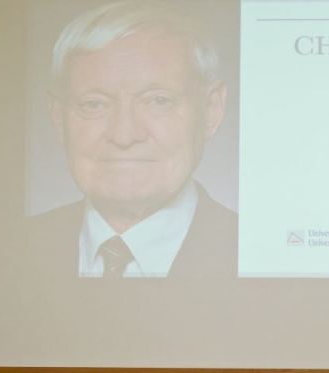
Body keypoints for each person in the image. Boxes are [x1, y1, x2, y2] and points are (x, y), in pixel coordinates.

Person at [35, 1, 236, 278]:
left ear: (211, 110)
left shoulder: (260, 253)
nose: (124, 135)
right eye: (94, 104)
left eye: (158, 100)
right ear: (59, 117)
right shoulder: (4, 251)